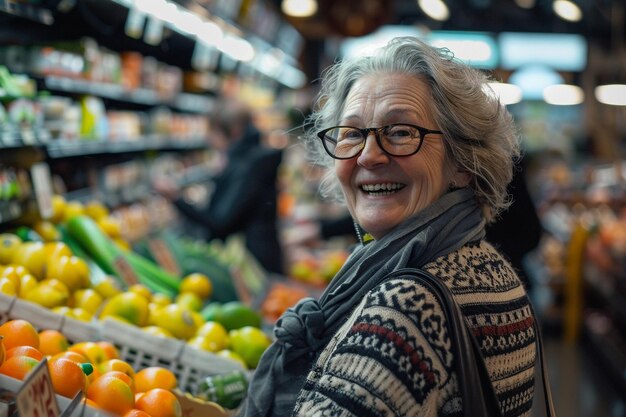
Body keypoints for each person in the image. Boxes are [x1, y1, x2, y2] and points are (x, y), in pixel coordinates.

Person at [241, 37, 537, 417]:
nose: (369, 155)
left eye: (400, 132)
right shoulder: (487, 266)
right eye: (351, 133)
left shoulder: (405, 307)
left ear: (464, 162)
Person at [152, 99, 284, 275]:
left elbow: (220, 222)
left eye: (213, 132)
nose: (210, 139)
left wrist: (176, 198)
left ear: (234, 131)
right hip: (263, 253)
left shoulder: (247, 166)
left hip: (253, 267)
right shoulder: (251, 158)